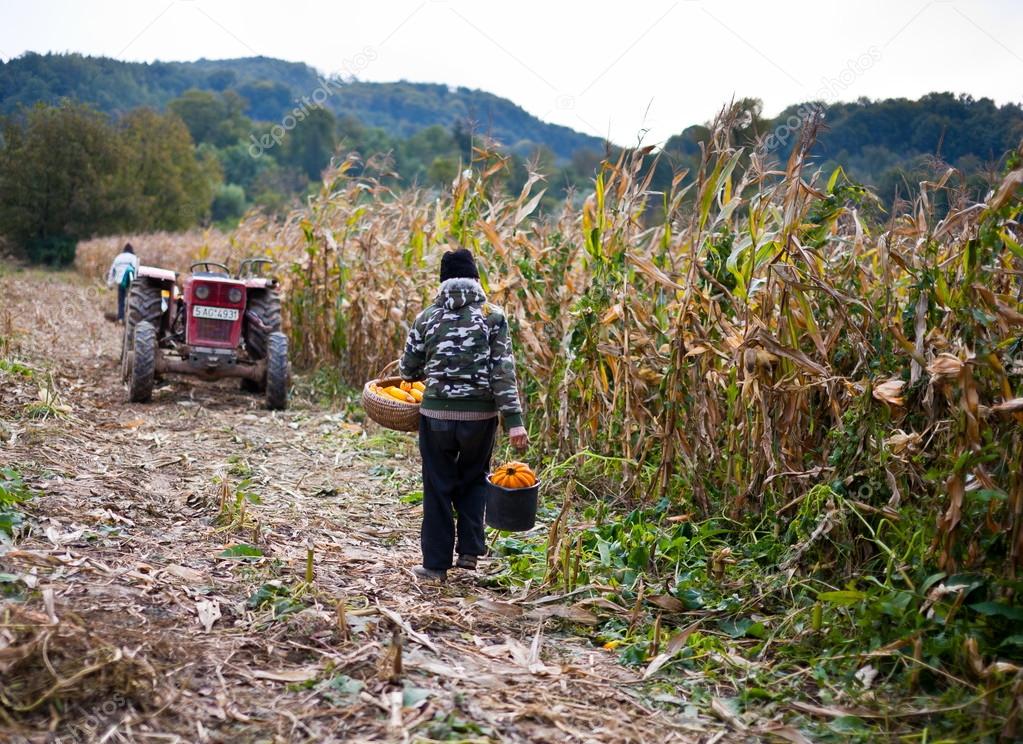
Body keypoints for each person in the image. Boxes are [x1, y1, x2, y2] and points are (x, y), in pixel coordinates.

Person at [400, 248, 529, 581]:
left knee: (437, 485)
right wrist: (514, 423)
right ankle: (469, 555)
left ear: (443, 281)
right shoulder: (492, 316)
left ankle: (434, 566)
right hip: (479, 419)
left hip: (436, 417)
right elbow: (503, 373)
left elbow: (408, 368)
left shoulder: (426, 317)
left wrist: (423, 373)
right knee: (474, 480)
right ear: (475, 279)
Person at [107, 243, 139, 321]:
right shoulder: (133, 257)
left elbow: (112, 271)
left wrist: (110, 283)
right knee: (130, 300)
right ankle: (130, 319)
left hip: (120, 282)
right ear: (131, 250)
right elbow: (136, 270)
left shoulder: (118, 257)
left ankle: (121, 318)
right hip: (130, 282)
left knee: (121, 300)